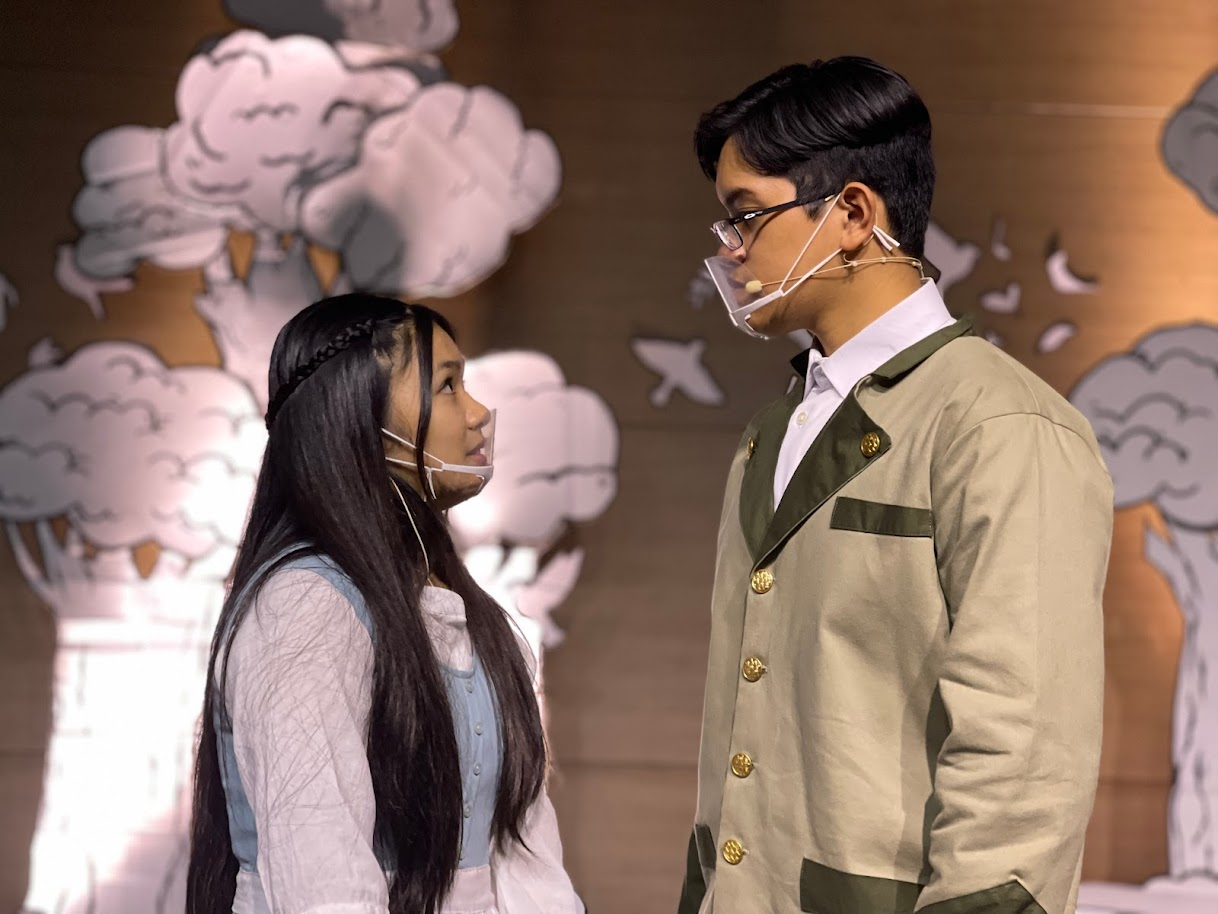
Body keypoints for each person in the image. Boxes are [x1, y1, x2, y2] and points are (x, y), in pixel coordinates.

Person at [679, 57, 1114, 914]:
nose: (729, 251)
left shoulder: (1001, 427)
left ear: (850, 213)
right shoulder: (772, 430)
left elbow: (1023, 752)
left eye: (746, 216)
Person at [186, 293, 585, 914]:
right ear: (359, 411)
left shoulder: (468, 613)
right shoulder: (306, 605)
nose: (479, 414)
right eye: (448, 385)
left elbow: (527, 863)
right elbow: (324, 883)